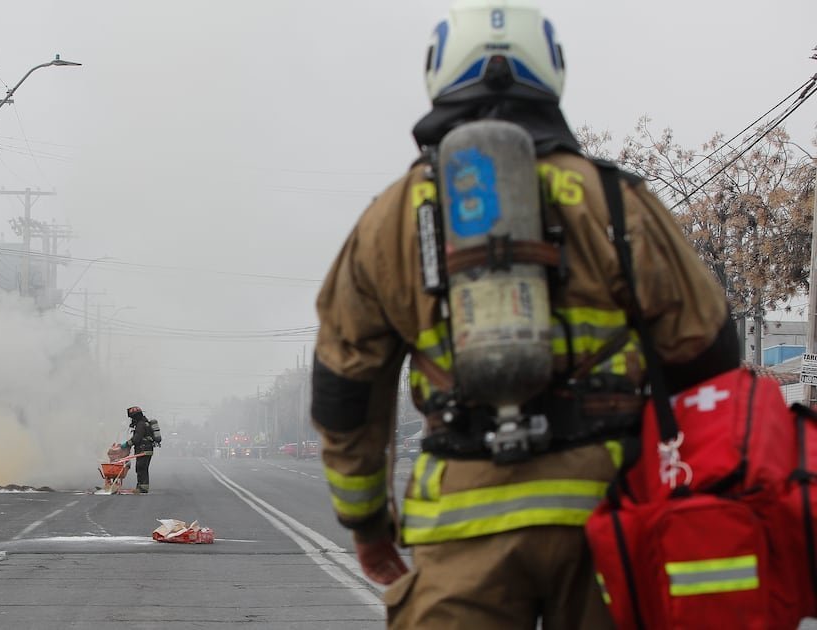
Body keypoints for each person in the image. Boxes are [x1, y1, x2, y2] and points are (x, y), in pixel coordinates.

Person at [309, 1, 741, 627]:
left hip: (458, 525)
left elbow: (343, 393)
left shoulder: (391, 218)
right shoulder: (616, 201)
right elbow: (710, 359)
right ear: (551, 72)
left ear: (440, 72)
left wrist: (368, 523)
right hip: (609, 519)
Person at [117, 406, 155, 494]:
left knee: (141, 468)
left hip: (143, 449)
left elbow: (137, 438)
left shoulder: (140, 424)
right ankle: (142, 487)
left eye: (132, 418)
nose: (132, 420)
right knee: (143, 468)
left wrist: (126, 445)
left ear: (136, 416)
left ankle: (142, 488)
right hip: (147, 449)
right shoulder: (145, 423)